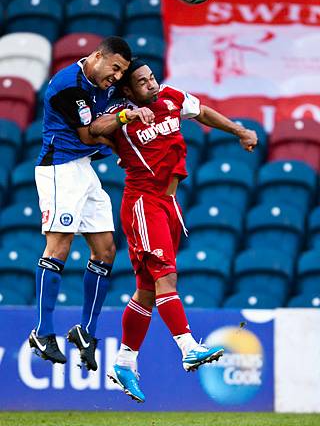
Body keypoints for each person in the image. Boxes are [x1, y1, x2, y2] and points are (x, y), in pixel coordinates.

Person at [89, 58, 258, 402]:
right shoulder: (121, 114)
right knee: (165, 276)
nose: (150, 84)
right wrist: (127, 115)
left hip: (168, 205)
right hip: (143, 203)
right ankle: (187, 346)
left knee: (148, 290)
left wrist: (239, 131)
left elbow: (204, 112)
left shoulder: (171, 98)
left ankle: (123, 361)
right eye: (141, 82)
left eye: (151, 78)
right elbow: (94, 128)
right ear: (127, 89)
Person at [28, 36, 131, 371]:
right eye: (114, 68)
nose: (116, 77)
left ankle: (85, 331)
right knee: (59, 246)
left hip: (84, 170)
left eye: (121, 73)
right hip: (59, 168)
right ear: (98, 56)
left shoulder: (104, 83)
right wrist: (123, 136)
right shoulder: (67, 85)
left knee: (105, 251)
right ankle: (42, 332)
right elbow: (88, 134)